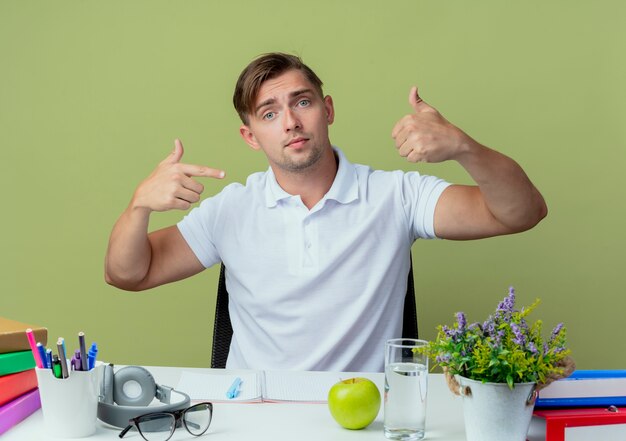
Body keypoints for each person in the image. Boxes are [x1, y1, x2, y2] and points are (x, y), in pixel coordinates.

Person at [105, 53, 547, 372]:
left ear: (327, 109)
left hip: (365, 421)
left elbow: (521, 212)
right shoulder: (231, 210)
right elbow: (128, 273)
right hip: (253, 419)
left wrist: (463, 146)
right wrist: (139, 205)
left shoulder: (395, 195)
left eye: (302, 102)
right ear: (251, 136)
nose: (291, 122)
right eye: (269, 112)